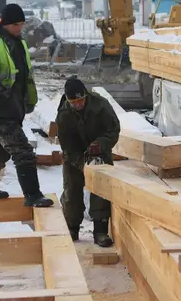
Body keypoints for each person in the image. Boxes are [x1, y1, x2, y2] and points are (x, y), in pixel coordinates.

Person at [0, 3, 54, 208]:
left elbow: (23, 75)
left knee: (0, 149)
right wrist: (4, 98)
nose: (19, 28)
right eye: (15, 24)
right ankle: (33, 195)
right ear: (4, 23)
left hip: (15, 106)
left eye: (21, 24)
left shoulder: (18, 42)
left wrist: (27, 101)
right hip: (0, 108)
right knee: (22, 150)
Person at [55, 77, 120, 247]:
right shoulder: (63, 115)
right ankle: (72, 228)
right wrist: (82, 163)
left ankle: (100, 231)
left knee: (101, 191)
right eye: (74, 102)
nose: (78, 104)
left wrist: (101, 144)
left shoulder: (101, 105)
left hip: (100, 154)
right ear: (68, 101)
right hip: (74, 156)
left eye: (81, 100)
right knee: (72, 192)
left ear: (86, 96)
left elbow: (113, 130)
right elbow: (67, 147)